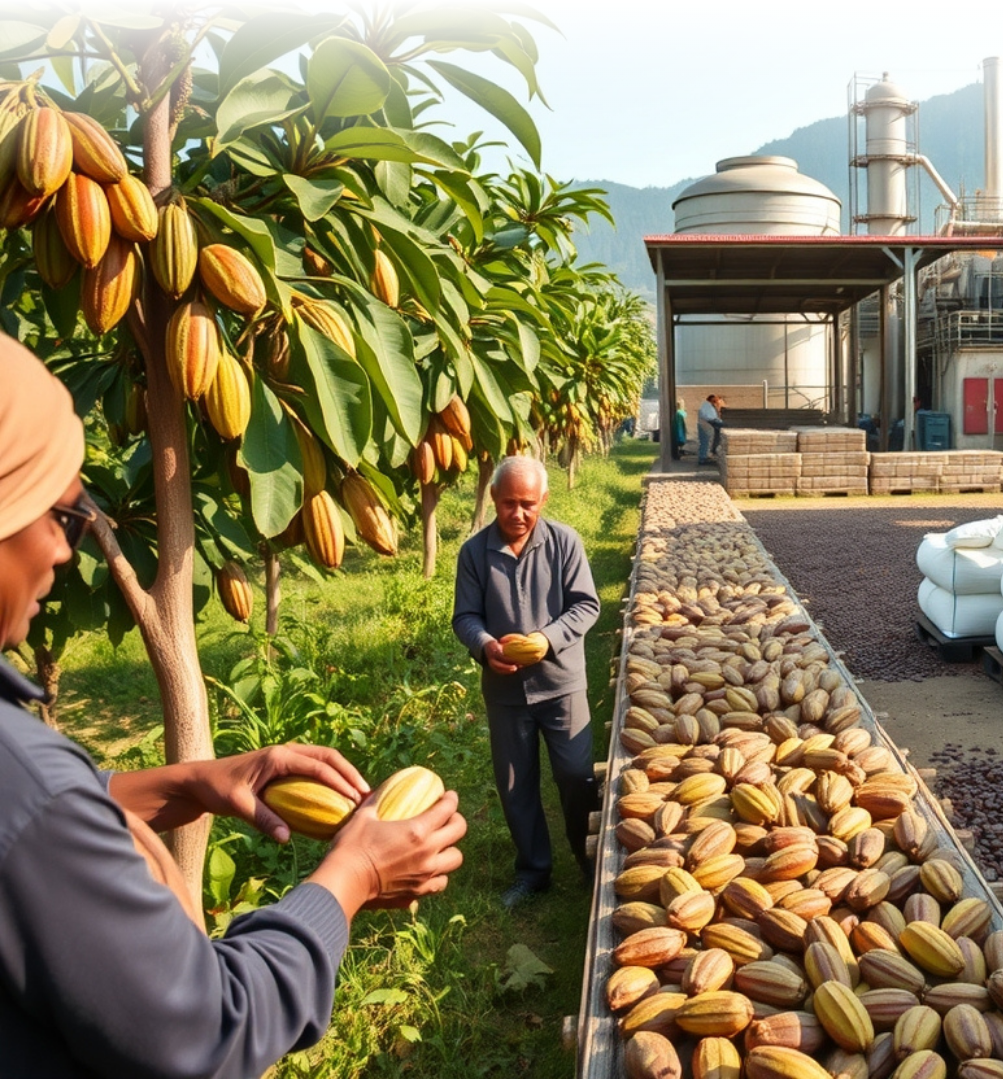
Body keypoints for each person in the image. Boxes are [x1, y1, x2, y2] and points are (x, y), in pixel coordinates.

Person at [0, 336, 467, 1075]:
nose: (67, 551)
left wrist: (184, 784)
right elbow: (206, 1031)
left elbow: (31, 835)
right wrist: (350, 881)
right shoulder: (25, 782)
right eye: (62, 514)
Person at [452, 457, 600, 907]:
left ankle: (590, 860)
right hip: (506, 693)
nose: (518, 514)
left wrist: (545, 640)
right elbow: (465, 617)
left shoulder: (564, 543)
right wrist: (485, 646)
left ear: (544, 501)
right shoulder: (474, 553)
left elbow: (585, 606)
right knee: (516, 785)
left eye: (528, 505)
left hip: (562, 684)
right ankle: (533, 871)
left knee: (576, 777)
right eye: (509, 504)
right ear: (494, 500)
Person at [697, 393, 724, 465]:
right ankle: (702, 459)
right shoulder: (707, 406)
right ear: (712, 400)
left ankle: (705, 456)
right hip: (705, 426)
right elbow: (711, 418)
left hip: (705, 426)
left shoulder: (708, 406)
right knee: (705, 443)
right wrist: (721, 423)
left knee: (706, 442)